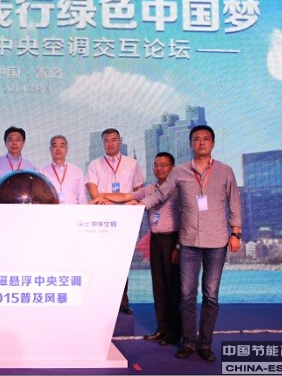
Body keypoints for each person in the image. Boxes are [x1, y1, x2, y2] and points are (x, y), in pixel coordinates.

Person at [138, 125, 242, 362]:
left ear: (213, 144)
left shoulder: (225, 171)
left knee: (211, 295)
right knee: (186, 295)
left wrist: (236, 233)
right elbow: (160, 194)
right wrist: (136, 206)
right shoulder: (180, 171)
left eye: (206, 139)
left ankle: (204, 344)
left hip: (217, 241)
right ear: (190, 144)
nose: (201, 142)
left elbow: (234, 202)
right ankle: (188, 342)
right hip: (188, 242)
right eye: (196, 139)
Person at [93, 152, 181, 345]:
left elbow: (185, 217)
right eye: (156, 164)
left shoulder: (177, 189)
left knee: (172, 287)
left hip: (172, 239)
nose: (159, 168)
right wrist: (103, 195)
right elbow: (126, 196)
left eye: (164, 165)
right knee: (158, 286)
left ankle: (175, 332)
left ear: (172, 168)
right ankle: (162, 329)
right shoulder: (150, 189)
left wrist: (179, 245)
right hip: (155, 239)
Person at [86, 128, 144, 315]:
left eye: (113, 140)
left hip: (125, 218)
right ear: (102, 143)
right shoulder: (95, 164)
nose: (110, 143)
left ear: (120, 141)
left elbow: (139, 188)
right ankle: (101, 302)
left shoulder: (132, 163)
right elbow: (91, 187)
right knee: (102, 260)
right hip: (102, 218)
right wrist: (100, 199)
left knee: (122, 260)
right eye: (106, 140)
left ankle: (122, 302)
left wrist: (132, 200)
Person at [0, 126, 36, 202]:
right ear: (5, 142)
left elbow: (33, 190)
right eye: (10, 140)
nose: (14, 143)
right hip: (0, 204)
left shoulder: (30, 166)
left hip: (24, 205)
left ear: (23, 143)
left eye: (18, 140)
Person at [38, 134, 86, 204]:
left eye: (62, 146)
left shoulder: (77, 171)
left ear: (67, 149)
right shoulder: (41, 172)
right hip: (50, 209)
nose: (58, 149)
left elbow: (82, 197)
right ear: (50, 149)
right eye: (55, 146)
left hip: (72, 210)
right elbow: (39, 196)